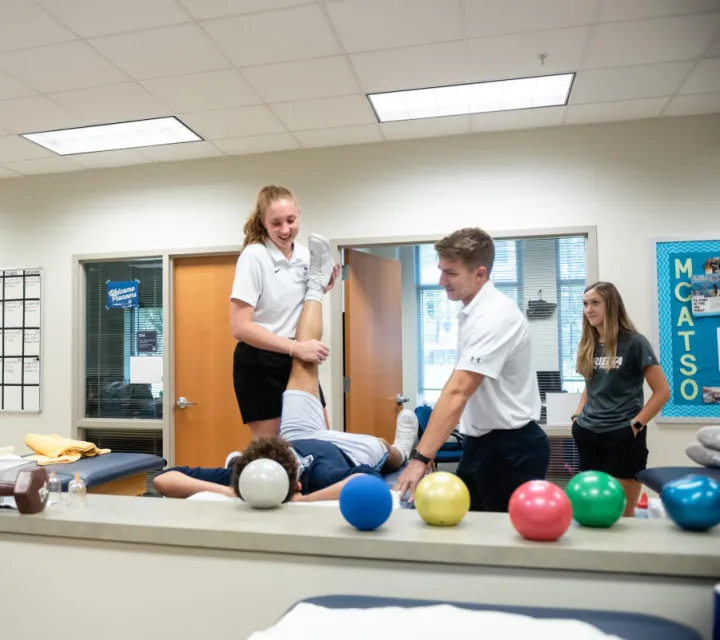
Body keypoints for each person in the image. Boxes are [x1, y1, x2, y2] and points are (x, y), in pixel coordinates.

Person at [155, 235, 418, 502]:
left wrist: (235, 490)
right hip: (344, 449)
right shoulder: (315, 474)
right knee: (384, 451)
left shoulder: (251, 472)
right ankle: (402, 450)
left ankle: (315, 284)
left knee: (305, 356)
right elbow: (367, 480)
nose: (285, 229)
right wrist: (300, 501)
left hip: (294, 436)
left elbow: (164, 478)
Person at [394, 228, 549, 512]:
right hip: (479, 445)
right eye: (441, 271)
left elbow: (458, 391)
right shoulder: (473, 312)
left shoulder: (494, 315)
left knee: (505, 542)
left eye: (450, 273)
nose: (441, 281)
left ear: (479, 274)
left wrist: (419, 458)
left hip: (511, 449)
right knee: (470, 530)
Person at [230, 185, 340, 440]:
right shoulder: (254, 256)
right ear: (263, 222)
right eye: (276, 223)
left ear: (299, 215)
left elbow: (296, 309)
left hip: (298, 358)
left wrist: (321, 287)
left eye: (291, 220)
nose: (285, 229)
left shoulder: (303, 255)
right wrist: (295, 349)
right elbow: (240, 327)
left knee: (320, 439)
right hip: (261, 362)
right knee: (277, 450)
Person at [571, 281, 670, 516]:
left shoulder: (635, 343)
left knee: (624, 515)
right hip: (588, 433)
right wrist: (577, 416)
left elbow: (663, 392)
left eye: (595, 303)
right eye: (585, 304)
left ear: (612, 305)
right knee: (592, 511)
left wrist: (635, 426)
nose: (589, 309)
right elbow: (590, 386)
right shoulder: (587, 343)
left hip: (622, 436)